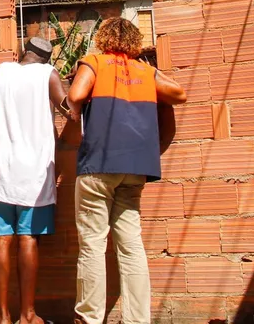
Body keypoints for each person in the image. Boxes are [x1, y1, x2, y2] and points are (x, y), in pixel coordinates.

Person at [65, 18, 187, 324]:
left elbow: (76, 95)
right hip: (136, 169)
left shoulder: (94, 62)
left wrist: (77, 107)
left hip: (98, 165)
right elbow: (179, 93)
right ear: (134, 42)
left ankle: (90, 318)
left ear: (104, 39)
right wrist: (150, 75)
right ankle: (137, 320)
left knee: (93, 243)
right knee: (130, 244)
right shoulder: (145, 71)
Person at [0, 37, 68, 324]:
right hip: (34, 175)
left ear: (24, 52)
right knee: (28, 239)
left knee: (0, 240)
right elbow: (69, 109)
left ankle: (2, 317)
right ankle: (28, 315)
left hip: (0, 171)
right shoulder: (48, 75)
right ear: (46, 59)